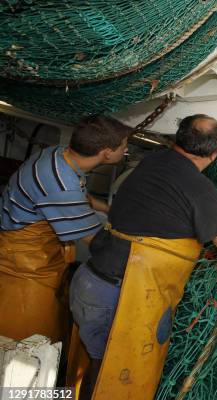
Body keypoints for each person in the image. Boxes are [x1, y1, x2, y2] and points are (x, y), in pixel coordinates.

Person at [69, 114, 217, 400]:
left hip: (88, 281)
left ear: (178, 138)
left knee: (94, 366)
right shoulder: (201, 190)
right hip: (122, 297)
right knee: (117, 382)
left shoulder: (152, 161)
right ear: (214, 154)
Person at [0, 115, 130, 343]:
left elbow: (82, 197)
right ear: (106, 153)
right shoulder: (61, 186)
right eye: (124, 148)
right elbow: (96, 241)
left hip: (33, 252)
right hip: (23, 265)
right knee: (29, 339)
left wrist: (109, 210)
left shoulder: (57, 154)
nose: (125, 151)